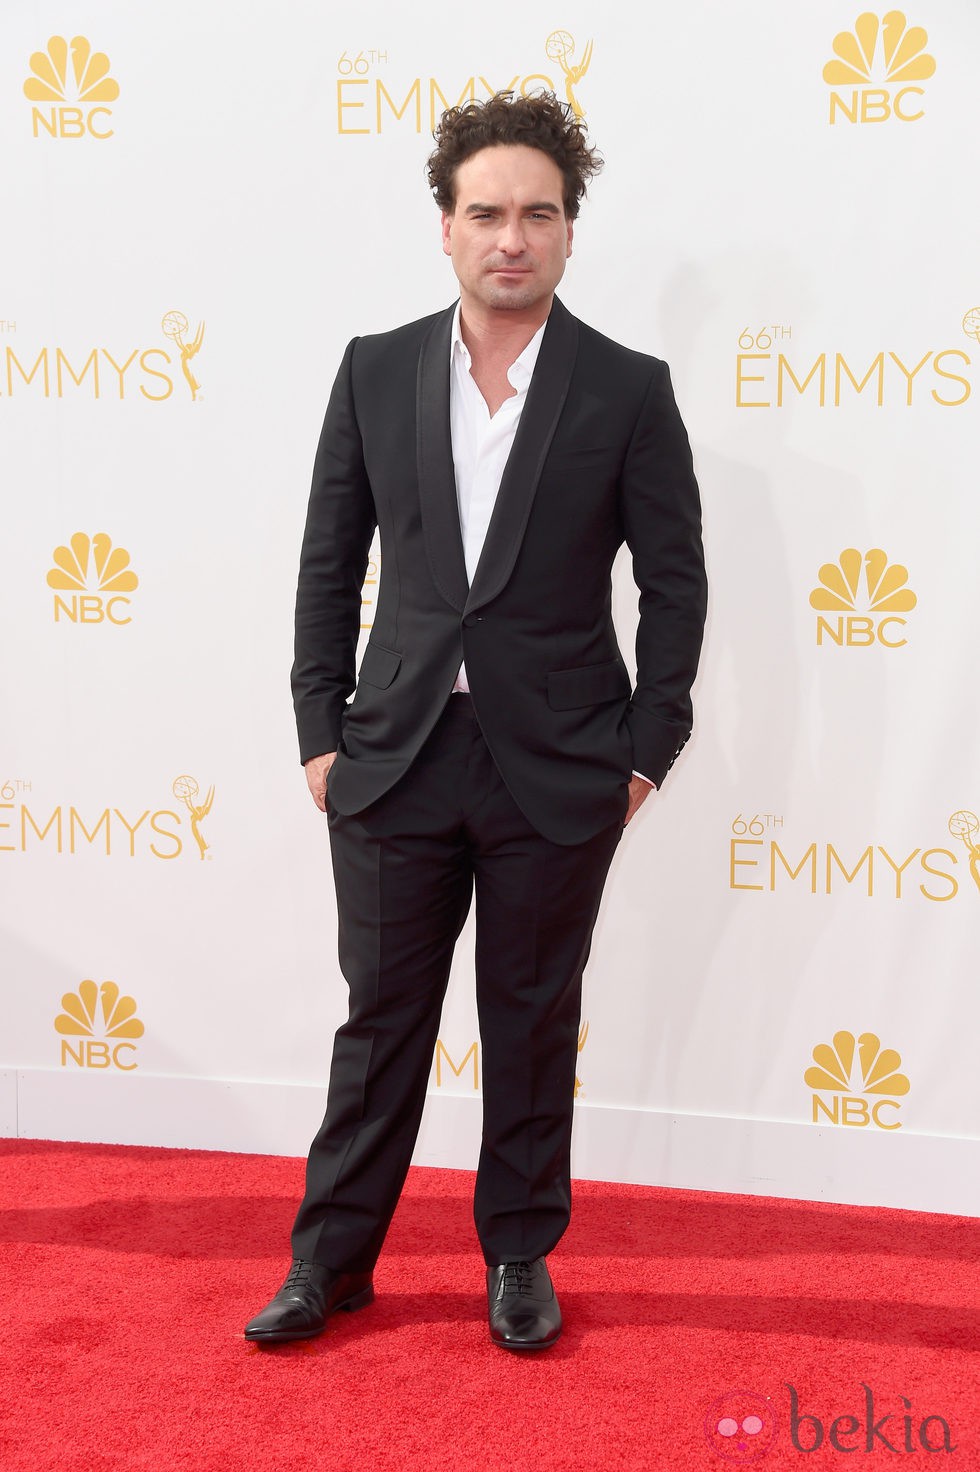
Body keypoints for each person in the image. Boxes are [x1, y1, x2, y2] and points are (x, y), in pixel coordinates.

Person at [245, 91, 707, 1352]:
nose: (513, 236)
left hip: (559, 770)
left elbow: (673, 582)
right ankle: (328, 1260)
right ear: (444, 226)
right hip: (392, 759)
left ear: (569, 231)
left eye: (538, 214)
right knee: (378, 1020)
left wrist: (642, 751)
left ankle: (516, 1254)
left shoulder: (626, 388)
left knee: (529, 1014)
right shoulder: (375, 367)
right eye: (487, 212)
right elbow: (326, 560)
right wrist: (317, 729)